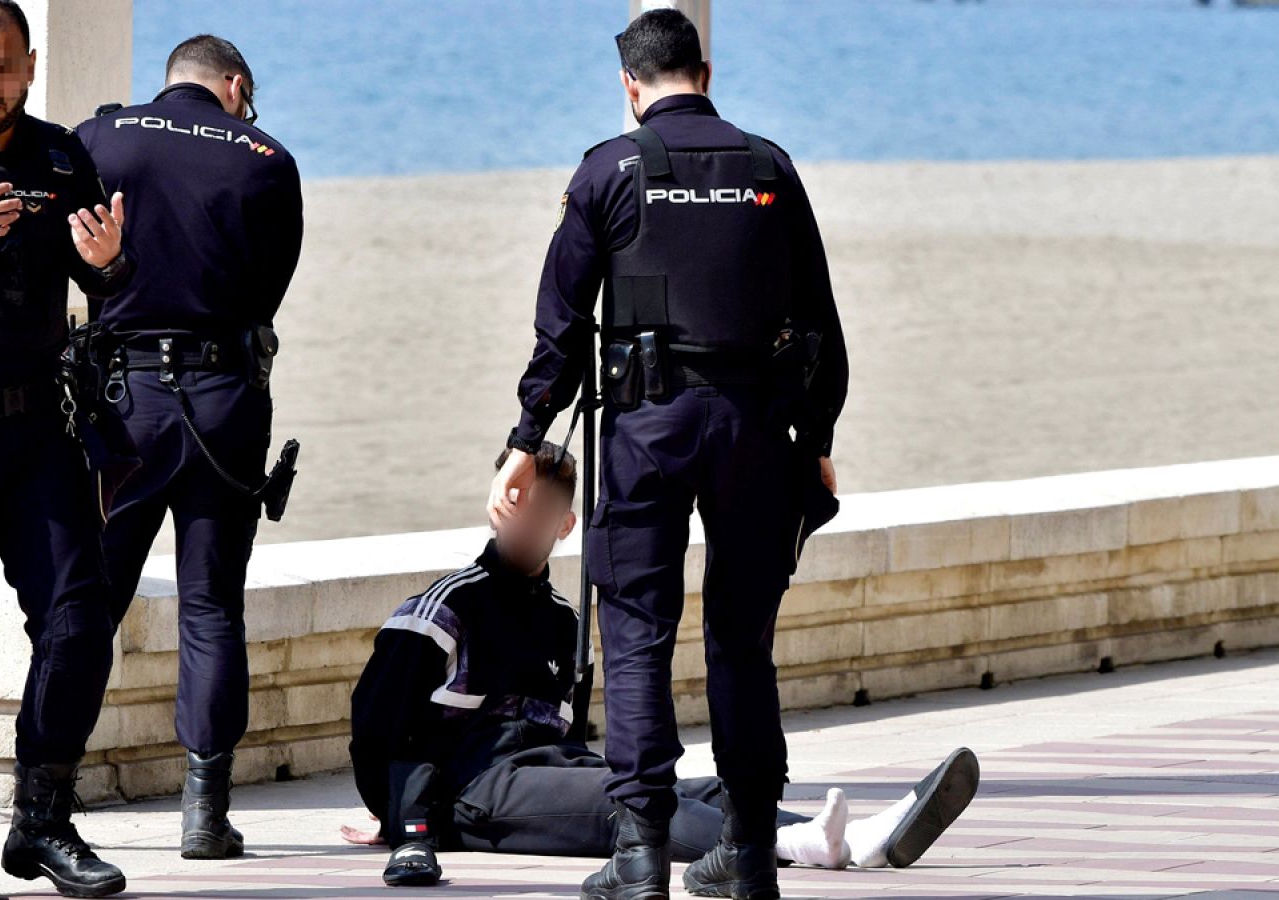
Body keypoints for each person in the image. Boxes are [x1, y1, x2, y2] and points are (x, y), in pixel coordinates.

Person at [486, 9, 848, 899]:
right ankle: (753, 852)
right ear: (707, 73)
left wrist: (527, 438)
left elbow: (561, 326)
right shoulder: (770, 168)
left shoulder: (608, 171)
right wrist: (821, 436)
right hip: (756, 430)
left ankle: (641, 852)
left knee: (639, 636)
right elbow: (821, 321)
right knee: (742, 641)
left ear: (629, 86)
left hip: (647, 429)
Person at [355, 447, 976, 888]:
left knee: (692, 787)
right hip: (473, 789)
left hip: (546, 771)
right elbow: (378, 722)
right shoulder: (445, 608)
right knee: (626, 803)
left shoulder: (564, 620)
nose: (524, 522)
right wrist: (396, 817)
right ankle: (795, 846)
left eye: (540, 512)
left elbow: (567, 736)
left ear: (565, 524)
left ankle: (861, 834)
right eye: (514, 505)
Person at [74, 34, 304, 862]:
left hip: (123, 403)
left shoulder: (100, 137)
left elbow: (77, 254)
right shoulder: (266, 159)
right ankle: (205, 814)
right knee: (212, 606)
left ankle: (51, 788)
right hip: (224, 402)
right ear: (234, 86)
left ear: (169, 81)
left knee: (90, 603)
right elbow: (268, 292)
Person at [0, 1, 135, 896]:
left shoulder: (60, 154)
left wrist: (113, 261)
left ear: (31, 64)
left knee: (81, 618)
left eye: (3, 69)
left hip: (35, 431)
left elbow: (103, 278)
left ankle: (43, 819)